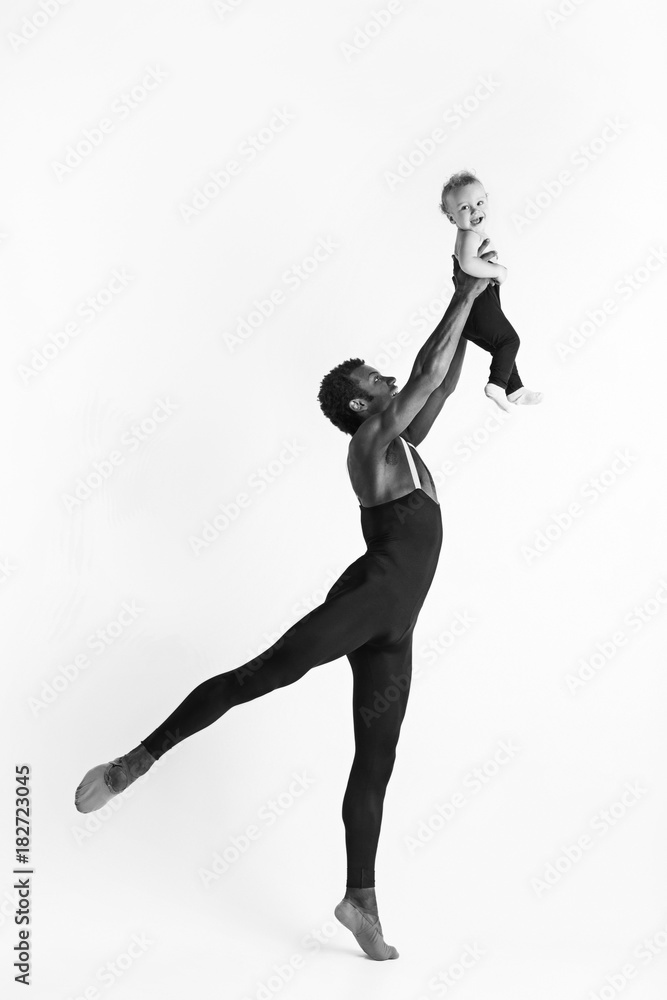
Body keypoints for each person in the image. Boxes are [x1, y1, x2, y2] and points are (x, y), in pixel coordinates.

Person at [73, 250, 494, 961]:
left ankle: (358, 897)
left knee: (377, 756)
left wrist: (470, 295)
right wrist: (463, 294)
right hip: (368, 600)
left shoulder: (409, 446)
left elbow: (442, 379)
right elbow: (423, 373)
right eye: (374, 380)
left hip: (395, 626)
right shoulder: (371, 444)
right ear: (362, 405)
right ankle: (136, 760)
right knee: (263, 675)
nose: (388, 379)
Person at [440, 169, 543, 412]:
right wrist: (498, 270)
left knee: (502, 347)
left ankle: (515, 390)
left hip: (483, 304)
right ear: (451, 217)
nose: (475, 211)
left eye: (479, 202)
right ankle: (496, 385)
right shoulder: (467, 237)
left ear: (487, 199)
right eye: (464, 207)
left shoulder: (473, 234)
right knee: (510, 340)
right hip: (477, 305)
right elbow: (468, 264)